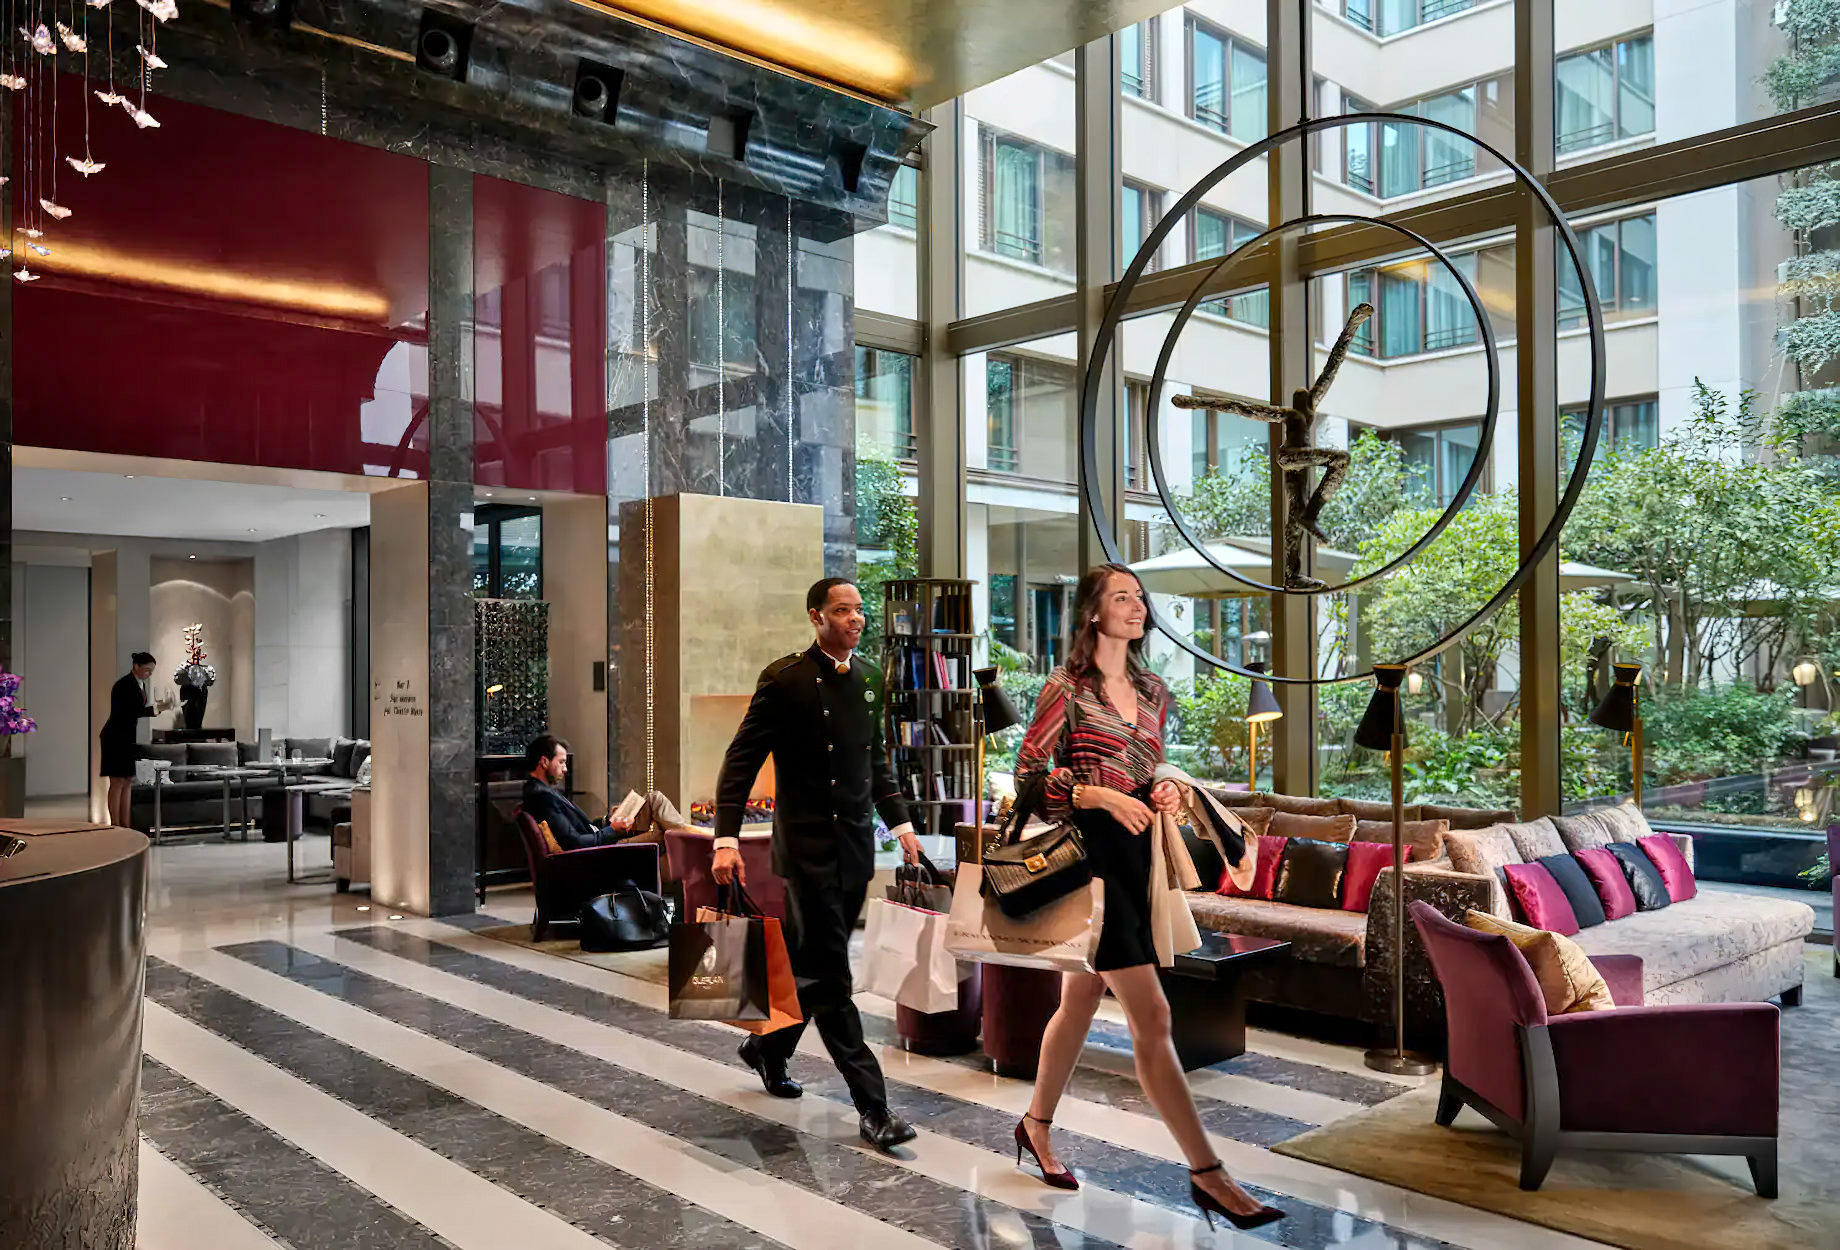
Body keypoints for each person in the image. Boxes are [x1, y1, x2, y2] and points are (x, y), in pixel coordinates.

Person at [1011, 564, 1285, 1232]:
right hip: (1089, 863)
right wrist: (1092, 793)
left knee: (1078, 1003)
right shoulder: (1064, 690)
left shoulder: (1155, 689)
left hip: (1138, 860)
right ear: (1092, 614)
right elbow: (1028, 778)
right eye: (1122, 598)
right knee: (1154, 1017)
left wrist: (1161, 786)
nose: (1136, 607)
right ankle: (1208, 1173)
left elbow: (1147, 763)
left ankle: (1034, 1127)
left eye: (1139, 597)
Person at [711, 577, 922, 1152]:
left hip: (856, 849)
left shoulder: (871, 681)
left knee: (810, 967)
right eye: (842, 610)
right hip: (804, 853)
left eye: (859, 610)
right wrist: (724, 838)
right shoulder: (784, 681)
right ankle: (874, 1108)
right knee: (833, 979)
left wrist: (902, 827)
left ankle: (766, 1049)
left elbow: (876, 764)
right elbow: (740, 762)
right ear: (816, 616)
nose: (855, 619)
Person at [521, 733, 690, 850]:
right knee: (665, 835)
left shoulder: (544, 791)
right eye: (562, 762)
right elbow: (575, 842)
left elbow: (582, 829)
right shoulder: (541, 797)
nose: (565, 769)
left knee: (654, 799)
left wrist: (606, 820)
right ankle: (695, 841)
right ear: (544, 762)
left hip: (601, 840)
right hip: (601, 850)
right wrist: (612, 830)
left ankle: (692, 841)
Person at [100, 652, 168, 829]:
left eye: (151, 671)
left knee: (127, 780)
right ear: (136, 666)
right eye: (147, 670)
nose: (149, 674)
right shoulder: (123, 685)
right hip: (114, 737)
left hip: (127, 737)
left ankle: (126, 823)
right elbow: (131, 711)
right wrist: (155, 709)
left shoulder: (140, 684)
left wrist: (155, 709)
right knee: (116, 781)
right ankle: (114, 824)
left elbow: (137, 710)